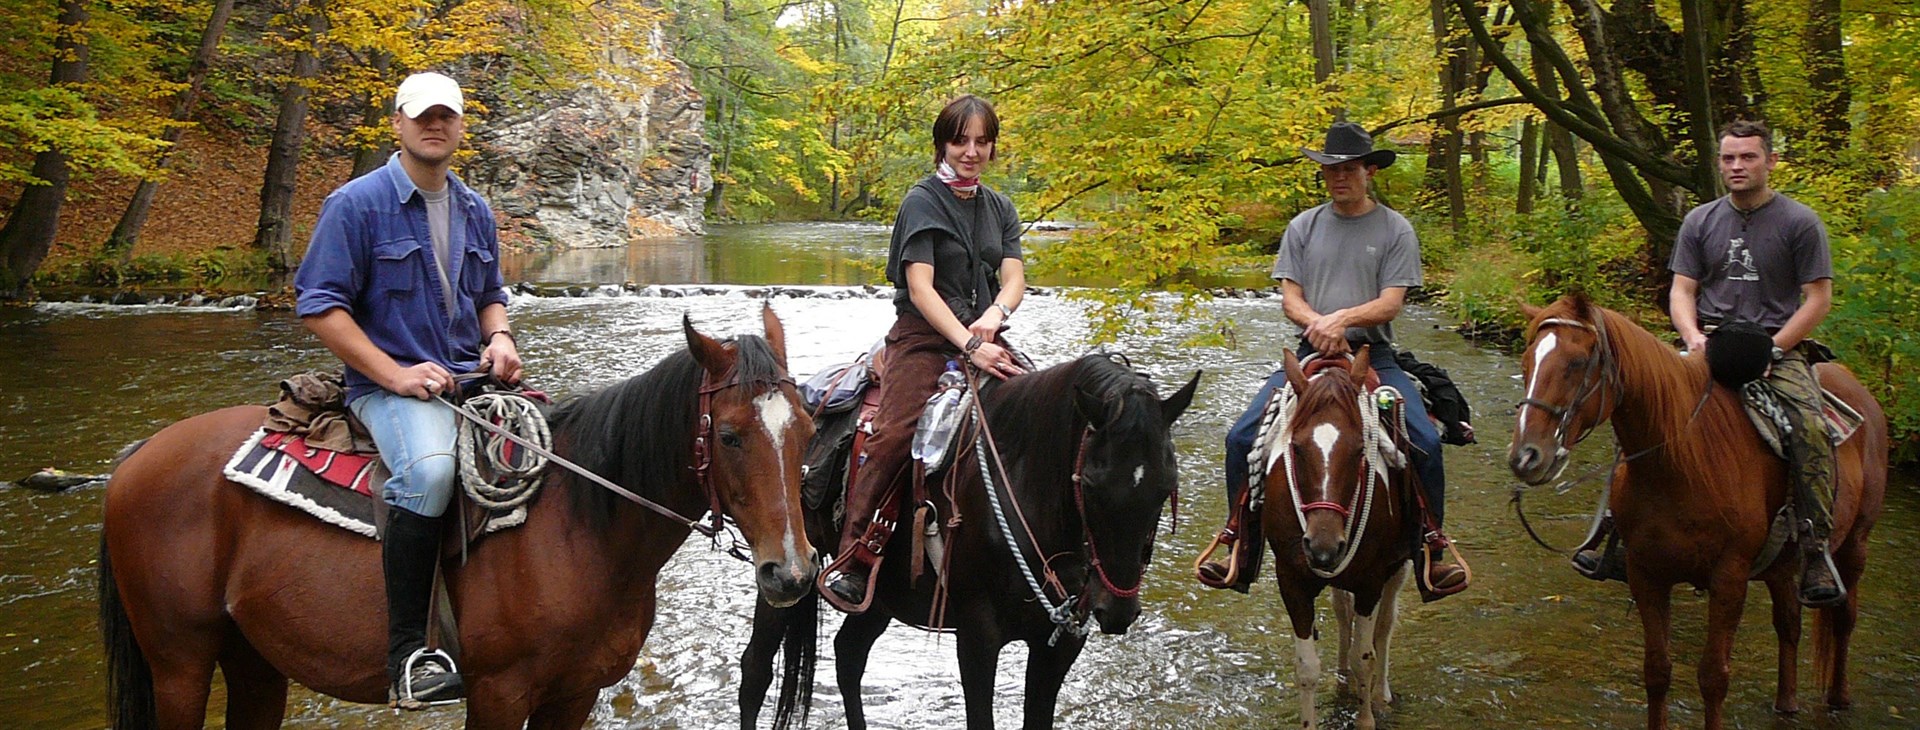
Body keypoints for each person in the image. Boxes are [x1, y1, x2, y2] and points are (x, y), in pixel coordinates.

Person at [293, 71, 522, 708]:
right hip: (388, 389)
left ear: (459, 127)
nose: (435, 125)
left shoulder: (475, 208)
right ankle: (408, 657)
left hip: (468, 381)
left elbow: (490, 296)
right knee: (429, 474)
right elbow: (319, 306)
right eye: (422, 115)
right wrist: (395, 374)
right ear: (398, 123)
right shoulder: (356, 205)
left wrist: (499, 337)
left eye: (446, 115)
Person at [1576, 119, 1843, 607]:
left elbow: (1817, 299)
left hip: (1774, 347)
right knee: (1639, 408)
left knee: (1809, 427)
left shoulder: (1800, 222)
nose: (1737, 166)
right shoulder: (1700, 220)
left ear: (1770, 161)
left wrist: (1775, 349)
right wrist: (1691, 336)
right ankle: (1613, 531)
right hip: (1709, 342)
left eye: (1748, 157)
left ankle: (1815, 547)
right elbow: (1683, 290)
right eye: (1728, 158)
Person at [1197, 121, 1467, 599]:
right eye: (1330, 170)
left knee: (1424, 440)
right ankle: (1238, 543)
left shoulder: (1395, 229)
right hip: (1309, 351)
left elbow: (1390, 303)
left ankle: (1433, 547)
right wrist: (1318, 326)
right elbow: (1290, 299)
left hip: (1373, 353)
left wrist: (1340, 320)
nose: (1338, 177)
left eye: (1348, 169)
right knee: (1241, 436)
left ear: (1369, 171)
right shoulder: (1303, 226)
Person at [817, 94, 1028, 613]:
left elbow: (1015, 276)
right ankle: (855, 554)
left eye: (982, 141)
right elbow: (921, 289)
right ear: (943, 144)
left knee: (1043, 414)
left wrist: (995, 317)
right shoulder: (922, 202)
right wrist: (970, 343)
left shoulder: (1000, 207)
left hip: (984, 332)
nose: (971, 151)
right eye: (961, 140)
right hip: (924, 337)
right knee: (893, 434)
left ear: (993, 147)